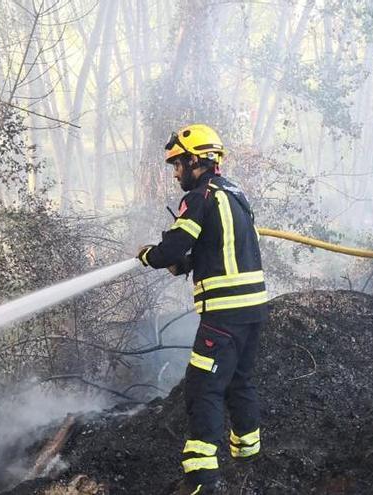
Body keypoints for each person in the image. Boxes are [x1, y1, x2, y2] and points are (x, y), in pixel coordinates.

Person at [137, 124, 269, 494]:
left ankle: (199, 481)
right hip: (253, 310)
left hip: (223, 316)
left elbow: (175, 244)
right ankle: (248, 456)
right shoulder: (235, 194)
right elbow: (227, 245)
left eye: (178, 163)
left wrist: (152, 255)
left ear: (196, 160)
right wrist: (192, 262)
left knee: (202, 388)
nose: (176, 172)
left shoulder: (199, 197)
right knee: (240, 380)